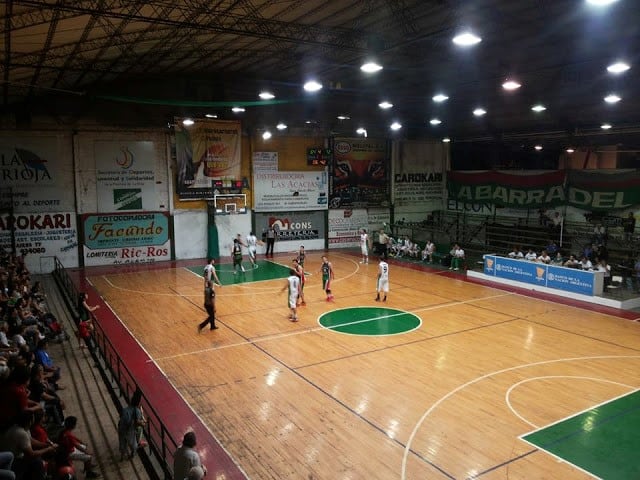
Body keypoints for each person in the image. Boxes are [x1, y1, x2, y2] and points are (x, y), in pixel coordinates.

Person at [118, 389, 147, 461]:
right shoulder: (137, 411)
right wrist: (143, 420)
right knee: (133, 445)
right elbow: (139, 423)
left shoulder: (126, 409)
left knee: (122, 442)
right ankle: (132, 454)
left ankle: (122, 456)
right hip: (129, 430)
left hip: (121, 428)